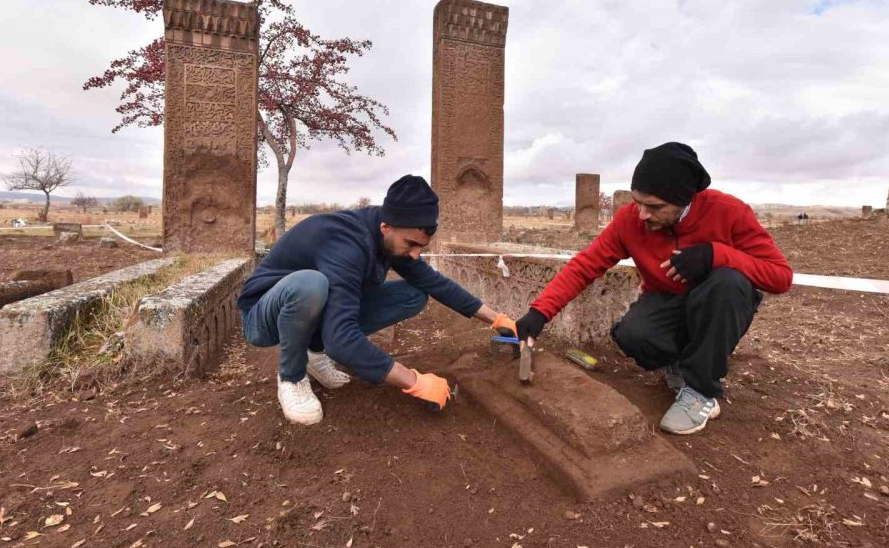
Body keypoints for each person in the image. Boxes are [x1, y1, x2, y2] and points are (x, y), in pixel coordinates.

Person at [505, 143, 793, 435]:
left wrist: (715, 255)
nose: (642, 214)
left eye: (654, 207)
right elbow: (584, 266)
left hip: (719, 302)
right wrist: (539, 313)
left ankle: (701, 391)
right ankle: (681, 365)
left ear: (684, 199)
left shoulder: (729, 212)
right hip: (667, 299)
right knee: (633, 335)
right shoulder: (630, 220)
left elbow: (781, 277)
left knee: (727, 283)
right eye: (638, 202)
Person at [237, 174, 514, 425]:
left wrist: (498, 319)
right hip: (264, 316)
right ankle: (292, 375)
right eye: (411, 245)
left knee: (413, 294)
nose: (416, 254)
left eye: (422, 247)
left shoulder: (392, 237)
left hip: (306, 310)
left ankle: (313, 352)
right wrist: (414, 381)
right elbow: (342, 338)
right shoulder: (346, 243)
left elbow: (434, 282)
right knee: (311, 285)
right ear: (385, 227)